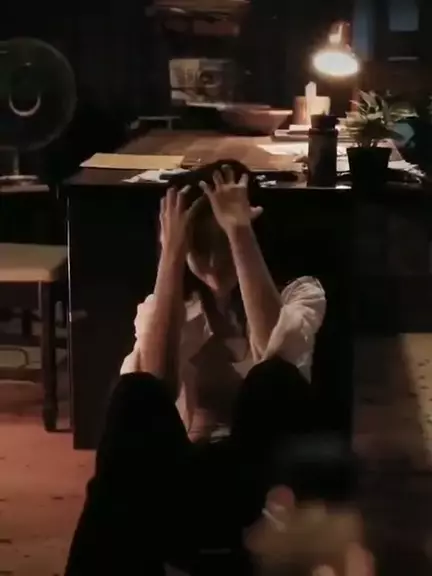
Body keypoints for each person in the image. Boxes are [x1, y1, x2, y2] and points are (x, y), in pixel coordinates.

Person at [65, 161, 328, 575]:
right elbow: (155, 386)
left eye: (221, 241)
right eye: (199, 245)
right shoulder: (169, 309)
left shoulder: (301, 294)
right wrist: (171, 254)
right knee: (134, 392)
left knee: (272, 377)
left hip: (264, 490)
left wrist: (239, 233)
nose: (212, 261)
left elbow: (272, 352)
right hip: (185, 482)